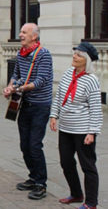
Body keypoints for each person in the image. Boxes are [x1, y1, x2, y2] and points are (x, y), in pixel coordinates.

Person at [3, 23, 53, 200]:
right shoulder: (20, 53)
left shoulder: (43, 54)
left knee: (34, 144)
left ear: (34, 36)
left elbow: (41, 80)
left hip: (40, 106)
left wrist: (19, 89)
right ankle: (33, 177)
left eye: (24, 32)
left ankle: (41, 183)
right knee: (24, 144)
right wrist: (10, 87)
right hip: (25, 104)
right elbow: (16, 74)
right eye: (21, 32)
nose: (20, 34)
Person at [50, 42, 102, 209]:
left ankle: (91, 203)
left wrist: (92, 132)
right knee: (66, 162)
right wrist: (54, 115)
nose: (74, 57)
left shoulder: (91, 80)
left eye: (79, 55)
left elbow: (95, 108)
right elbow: (59, 97)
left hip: (83, 130)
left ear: (86, 60)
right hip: (65, 128)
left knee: (88, 166)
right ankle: (76, 193)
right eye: (74, 54)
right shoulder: (67, 74)